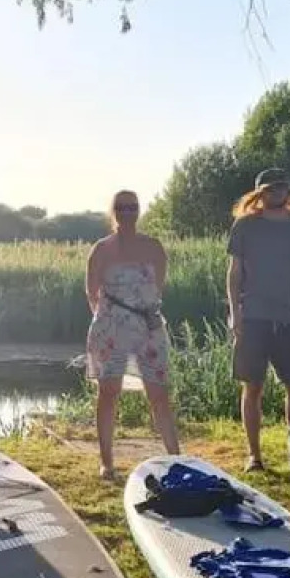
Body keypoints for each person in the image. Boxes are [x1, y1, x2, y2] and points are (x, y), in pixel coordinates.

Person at [226, 168, 290, 472]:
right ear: (259, 193)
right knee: (253, 386)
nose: (275, 193)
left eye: (280, 187)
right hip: (253, 316)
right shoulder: (244, 227)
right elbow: (235, 272)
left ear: (288, 191)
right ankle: (254, 455)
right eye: (269, 188)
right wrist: (235, 312)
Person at [84, 189, 181, 481]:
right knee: (108, 393)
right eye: (122, 208)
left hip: (149, 327)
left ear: (139, 211)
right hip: (110, 328)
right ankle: (107, 463)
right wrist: (110, 320)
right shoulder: (101, 249)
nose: (127, 213)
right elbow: (91, 292)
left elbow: (158, 287)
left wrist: (140, 313)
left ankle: (177, 458)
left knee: (159, 393)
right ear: (113, 212)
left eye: (133, 207)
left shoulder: (153, 247)